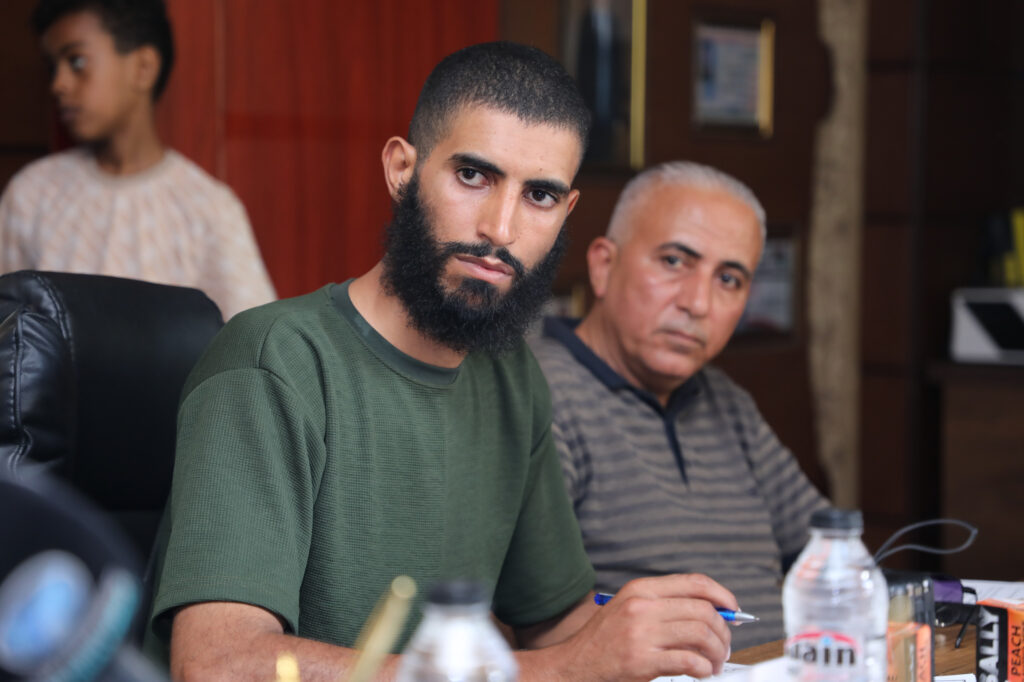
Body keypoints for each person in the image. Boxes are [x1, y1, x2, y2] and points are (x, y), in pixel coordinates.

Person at [144, 43, 739, 681]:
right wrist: (560, 669)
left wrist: (645, 638)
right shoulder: (273, 363)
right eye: (474, 176)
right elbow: (219, 665)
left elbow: (557, 625)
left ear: (565, 212)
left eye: (539, 195)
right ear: (402, 169)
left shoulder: (511, 374)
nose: (501, 229)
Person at [529, 161, 830, 649]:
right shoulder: (537, 394)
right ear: (603, 266)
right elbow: (533, 620)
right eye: (673, 261)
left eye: (728, 279)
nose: (698, 303)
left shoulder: (726, 402)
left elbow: (833, 551)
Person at [0, 0, 275, 319]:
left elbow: (256, 336)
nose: (58, 84)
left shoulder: (209, 209)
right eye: (52, 67)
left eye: (76, 61)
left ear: (143, 68)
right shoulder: (32, 195)